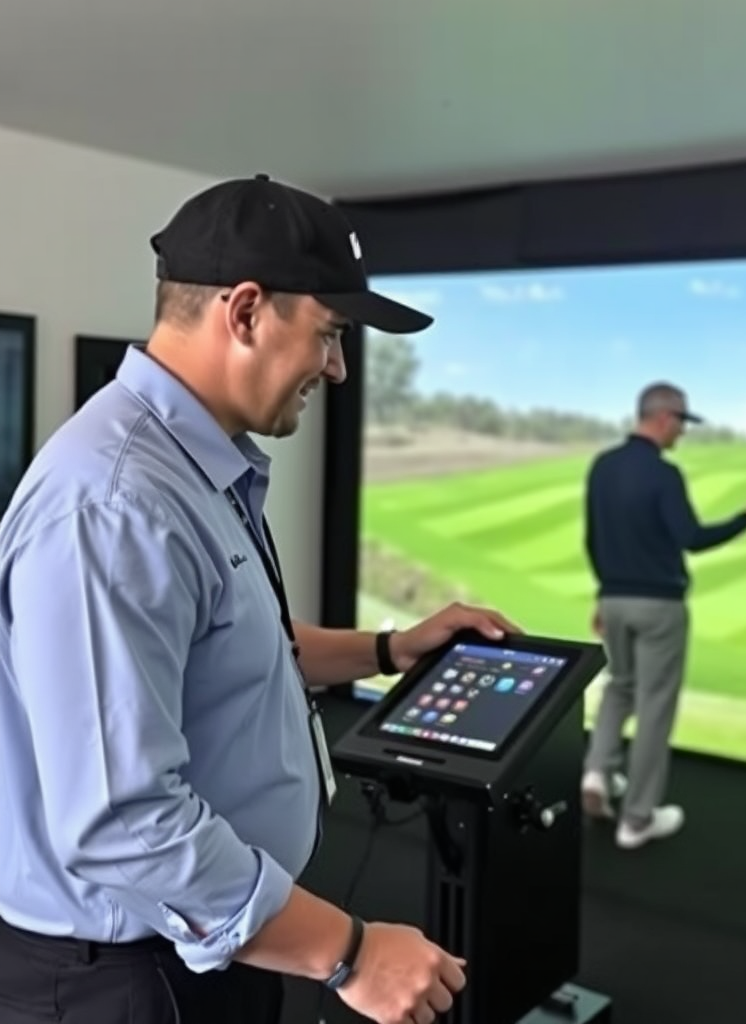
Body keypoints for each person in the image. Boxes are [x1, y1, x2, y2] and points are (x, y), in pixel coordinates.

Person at [0, 173, 522, 1024]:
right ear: (244, 311)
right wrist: (350, 953)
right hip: (130, 980)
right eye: (330, 334)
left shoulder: (188, 467)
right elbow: (122, 823)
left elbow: (237, 644)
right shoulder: (118, 504)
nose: (337, 368)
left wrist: (388, 650)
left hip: (214, 943)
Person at [580, 382, 746, 850]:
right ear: (664, 417)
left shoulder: (602, 466)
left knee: (619, 687)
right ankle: (637, 819)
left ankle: (596, 774)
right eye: (683, 423)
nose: (683, 433)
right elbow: (693, 538)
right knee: (654, 706)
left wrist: (605, 594)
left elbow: (593, 539)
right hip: (659, 607)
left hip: (614, 600)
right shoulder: (664, 474)